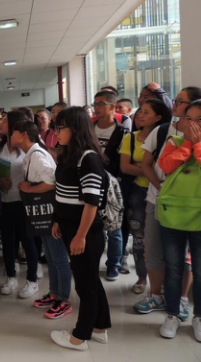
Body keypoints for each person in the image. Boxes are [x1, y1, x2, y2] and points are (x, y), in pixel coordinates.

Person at [134, 86, 201, 318]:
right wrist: (162, 188)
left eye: (181, 101)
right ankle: (156, 296)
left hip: (194, 206)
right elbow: (154, 165)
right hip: (160, 201)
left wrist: (195, 143)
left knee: (187, 258)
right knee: (155, 250)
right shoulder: (165, 132)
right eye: (176, 100)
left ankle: (182, 299)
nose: (175, 105)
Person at [50, 107, 111, 351]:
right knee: (90, 280)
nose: (57, 133)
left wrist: (80, 236)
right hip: (70, 227)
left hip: (85, 231)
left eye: (60, 128)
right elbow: (64, 194)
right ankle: (100, 328)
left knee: (85, 286)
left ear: (75, 129)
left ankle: (79, 337)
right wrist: (58, 220)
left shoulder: (88, 159)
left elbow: (91, 203)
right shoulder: (69, 156)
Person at [12, 120, 73, 319]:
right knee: (52, 257)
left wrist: (30, 189)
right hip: (43, 213)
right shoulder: (31, 154)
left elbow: (53, 182)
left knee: (59, 258)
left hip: (51, 214)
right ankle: (54, 293)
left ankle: (64, 300)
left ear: (24, 134)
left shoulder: (37, 155)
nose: (10, 137)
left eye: (13, 132)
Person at [157, 99, 201, 340]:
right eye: (189, 119)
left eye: (199, 120)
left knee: (200, 271)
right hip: (172, 213)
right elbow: (165, 166)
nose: (193, 124)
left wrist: (198, 145)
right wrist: (188, 144)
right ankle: (172, 314)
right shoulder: (174, 142)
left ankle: (199, 317)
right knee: (173, 269)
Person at [119, 100, 171, 294]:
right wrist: (148, 168)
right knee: (139, 238)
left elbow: (167, 166)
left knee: (164, 238)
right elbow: (125, 167)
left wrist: (141, 166)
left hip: (163, 192)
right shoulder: (130, 138)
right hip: (138, 192)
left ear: (158, 117)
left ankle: (164, 281)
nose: (139, 115)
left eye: (145, 112)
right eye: (139, 111)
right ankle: (142, 277)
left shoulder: (166, 136)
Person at [0, 111, 40, 299]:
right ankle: (11, 277)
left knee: (27, 241)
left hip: (23, 201)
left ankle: (32, 280)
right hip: (4, 201)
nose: (1, 124)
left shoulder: (27, 149)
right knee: (7, 241)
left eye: (5, 121)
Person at [93, 91, 128, 280]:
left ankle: (113, 264)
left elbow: (122, 161)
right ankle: (91, 263)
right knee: (93, 226)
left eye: (101, 104)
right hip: (91, 182)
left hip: (112, 184)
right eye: (95, 104)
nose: (97, 107)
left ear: (113, 107)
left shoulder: (122, 131)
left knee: (114, 227)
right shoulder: (89, 128)